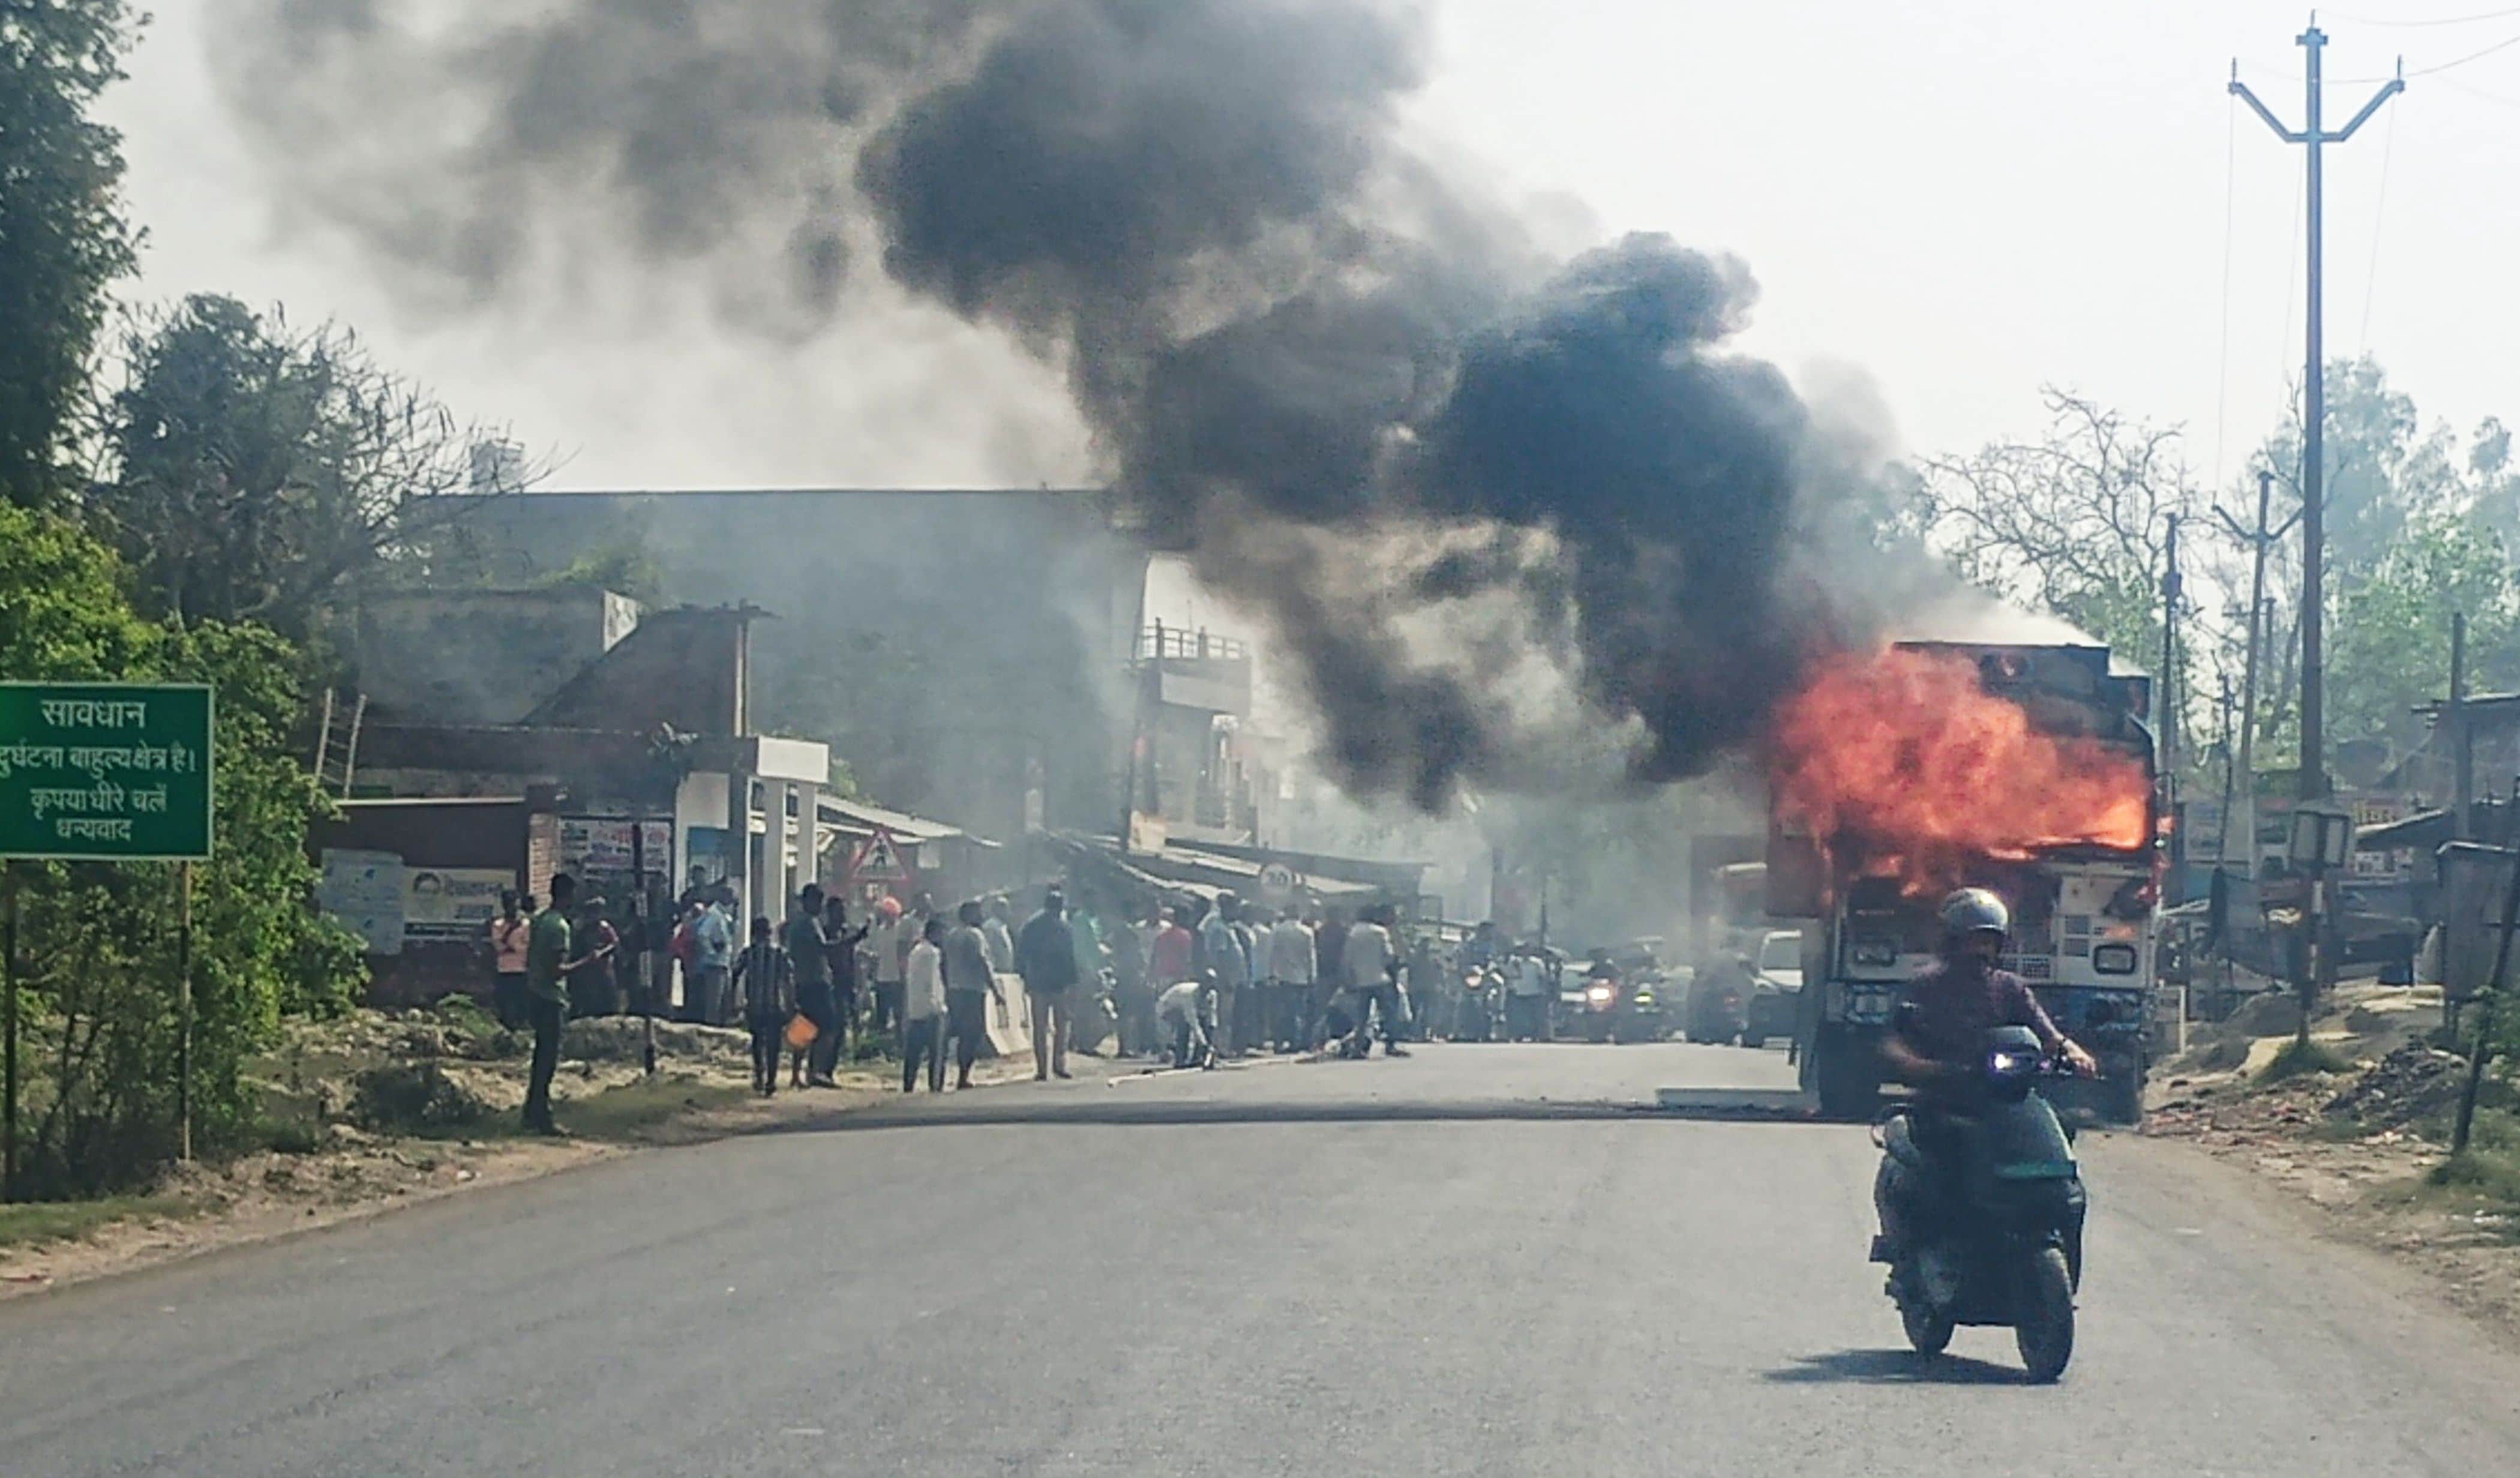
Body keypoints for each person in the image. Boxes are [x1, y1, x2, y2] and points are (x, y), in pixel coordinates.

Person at [1874, 888, 2098, 1255]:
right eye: (1972, 941)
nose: (1980, 950)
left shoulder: (2010, 988)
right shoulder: (1925, 987)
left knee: (2064, 1178)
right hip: (1947, 1099)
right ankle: (1921, 1252)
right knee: (1926, 1175)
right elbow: (1893, 1041)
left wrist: (2073, 1053)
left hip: (2008, 1100)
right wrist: (1922, 1067)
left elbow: (2047, 1035)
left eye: (1988, 941)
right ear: (1952, 943)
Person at [522, 874, 595, 1134]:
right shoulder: (559, 928)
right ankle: (542, 1116)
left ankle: (531, 1111)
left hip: (534, 992)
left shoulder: (541, 919)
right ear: (568, 895)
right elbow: (557, 970)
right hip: (551, 998)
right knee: (548, 1060)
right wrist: (588, 961)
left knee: (540, 1056)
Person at [1017, 886, 1081, 1080]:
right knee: (1060, 1026)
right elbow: (1070, 957)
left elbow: (1022, 954)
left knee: (1042, 1027)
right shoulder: (1063, 928)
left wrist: (1023, 976)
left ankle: (1043, 1068)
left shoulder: (1032, 926)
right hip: (1056, 984)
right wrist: (1074, 982)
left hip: (1040, 982)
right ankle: (1057, 1065)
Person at [943, 900, 1007, 1089]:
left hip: (955, 989)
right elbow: (982, 962)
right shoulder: (975, 935)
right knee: (972, 1033)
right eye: (978, 913)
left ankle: (945, 1072)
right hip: (972, 990)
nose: (982, 916)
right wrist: (996, 990)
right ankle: (963, 1075)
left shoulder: (951, 935)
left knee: (957, 1031)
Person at [731, 916, 795, 1096]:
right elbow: (788, 980)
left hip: (755, 1005)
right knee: (774, 1045)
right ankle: (771, 1081)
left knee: (758, 1042)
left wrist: (733, 1000)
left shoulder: (748, 953)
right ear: (769, 933)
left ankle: (760, 1075)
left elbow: (735, 974)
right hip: (774, 1005)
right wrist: (791, 1003)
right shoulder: (779, 954)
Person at [785, 885, 837, 1089]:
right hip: (814, 982)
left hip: (805, 981)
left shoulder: (802, 923)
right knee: (828, 1026)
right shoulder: (807, 923)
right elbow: (822, 949)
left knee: (805, 1028)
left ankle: (798, 1074)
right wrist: (850, 942)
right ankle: (814, 1071)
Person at [1343, 904, 1408, 1059]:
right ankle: (1391, 1045)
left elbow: (1347, 960)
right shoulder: (1380, 932)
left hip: (1361, 980)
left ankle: (1358, 1048)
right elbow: (1388, 956)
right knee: (1389, 1013)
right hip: (1380, 978)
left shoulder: (1353, 933)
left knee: (1362, 1017)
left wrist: (1349, 977)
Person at [822, 892, 870, 1071]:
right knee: (830, 1028)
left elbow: (851, 959)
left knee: (841, 1028)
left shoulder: (845, 931)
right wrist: (856, 938)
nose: (842, 915)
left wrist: (855, 985)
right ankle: (820, 1068)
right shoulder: (824, 932)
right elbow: (831, 949)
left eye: (843, 911)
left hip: (845, 984)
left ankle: (829, 1069)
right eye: (838, 911)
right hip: (828, 985)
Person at [901, 915, 949, 1092]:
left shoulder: (915, 952)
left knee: (913, 1053)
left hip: (915, 1008)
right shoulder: (933, 954)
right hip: (932, 1010)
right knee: (936, 1053)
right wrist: (939, 1006)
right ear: (935, 933)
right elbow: (933, 982)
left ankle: (908, 1085)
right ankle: (936, 1087)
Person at [1200, 892, 1251, 1058]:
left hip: (1234, 979)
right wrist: (1225, 978)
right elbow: (1218, 957)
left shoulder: (1229, 927)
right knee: (1222, 1016)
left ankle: (1225, 1046)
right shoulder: (1218, 929)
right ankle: (1219, 1048)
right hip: (1225, 980)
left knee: (1228, 1015)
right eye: (1235, 908)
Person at [1266, 906, 1316, 1052]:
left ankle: (1279, 1041)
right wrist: (1312, 975)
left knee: (1281, 1012)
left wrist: (1271, 973)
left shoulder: (1277, 931)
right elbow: (1311, 956)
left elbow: (1273, 954)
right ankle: (1296, 1041)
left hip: (1282, 976)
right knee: (1298, 1011)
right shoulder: (1307, 932)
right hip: (1301, 977)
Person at [567, 894, 621, 1018]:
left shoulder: (605, 927)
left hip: (603, 967)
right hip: (586, 968)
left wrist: (602, 952)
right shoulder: (580, 927)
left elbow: (614, 943)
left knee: (607, 993)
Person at [688, 891, 734, 1025]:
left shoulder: (722, 915)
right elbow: (703, 934)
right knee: (714, 1003)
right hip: (715, 964)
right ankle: (711, 1028)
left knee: (722, 1002)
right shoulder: (715, 915)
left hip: (722, 963)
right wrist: (712, 952)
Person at [489, 890, 532, 1030]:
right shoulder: (498, 925)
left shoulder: (526, 925)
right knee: (504, 1004)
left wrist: (512, 947)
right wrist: (513, 946)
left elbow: (526, 946)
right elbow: (498, 946)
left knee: (522, 1003)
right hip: (504, 969)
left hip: (521, 969)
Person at [868, 895, 907, 1041]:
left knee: (899, 1015)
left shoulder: (901, 930)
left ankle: (899, 1043)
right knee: (882, 1015)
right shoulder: (879, 931)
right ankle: (881, 1044)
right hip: (882, 978)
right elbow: (876, 952)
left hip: (897, 977)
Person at [1156, 977, 1213, 1069]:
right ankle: (1180, 1059)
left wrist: (1209, 1036)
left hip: (1181, 1009)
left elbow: (1211, 1015)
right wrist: (1204, 1042)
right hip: (1167, 1009)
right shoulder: (1188, 995)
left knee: (1202, 1020)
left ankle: (1197, 1056)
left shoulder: (1210, 994)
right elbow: (1192, 1020)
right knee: (1184, 1025)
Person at [1507, 945, 1552, 1042]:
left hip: (1534, 992)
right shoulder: (1515, 962)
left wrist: (1544, 989)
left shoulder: (1537, 963)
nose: (1525, 952)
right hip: (1519, 993)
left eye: (1527, 950)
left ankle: (1535, 1036)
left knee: (1535, 1017)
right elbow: (1510, 975)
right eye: (1523, 950)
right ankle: (1519, 1035)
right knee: (1520, 1017)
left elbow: (1542, 976)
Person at [982, 895, 1017, 974]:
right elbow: (988, 949)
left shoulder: (1003, 926)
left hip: (1007, 970)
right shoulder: (990, 926)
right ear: (996, 910)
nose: (1007, 911)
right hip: (998, 971)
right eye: (1004, 908)